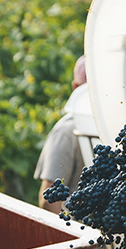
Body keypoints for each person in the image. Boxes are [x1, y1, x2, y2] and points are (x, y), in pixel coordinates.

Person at [34, 56, 87, 212]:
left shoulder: (67, 131)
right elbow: (49, 200)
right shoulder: (68, 132)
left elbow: (48, 201)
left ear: (75, 87)